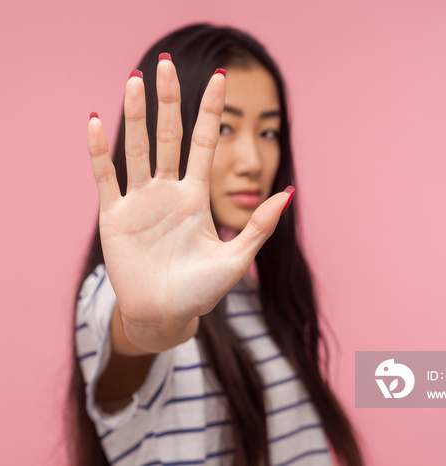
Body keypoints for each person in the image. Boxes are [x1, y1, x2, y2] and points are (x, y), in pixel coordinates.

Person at [69, 24, 364, 466]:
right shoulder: (117, 290)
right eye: (225, 127)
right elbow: (142, 330)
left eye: (268, 132)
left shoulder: (249, 293)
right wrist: (149, 324)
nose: (253, 162)